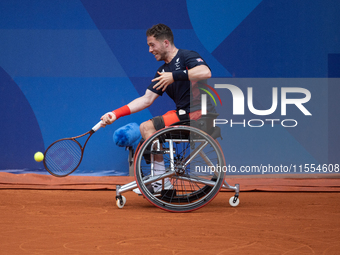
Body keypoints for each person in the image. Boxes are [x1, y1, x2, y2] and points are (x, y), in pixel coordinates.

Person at [100, 24, 215, 194]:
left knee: (148, 127)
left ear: (166, 43)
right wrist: (115, 114)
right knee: (147, 131)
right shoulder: (162, 71)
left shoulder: (187, 56)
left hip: (198, 116)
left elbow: (205, 72)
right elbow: (146, 100)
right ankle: (159, 178)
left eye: (152, 45)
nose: (149, 50)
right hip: (183, 116)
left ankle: (161, 182)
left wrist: (175, 76)